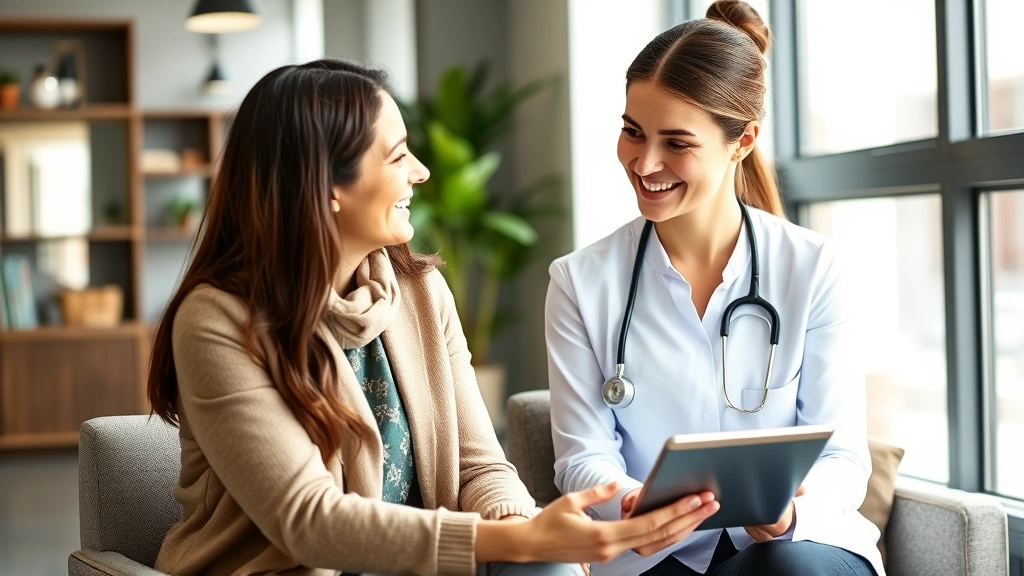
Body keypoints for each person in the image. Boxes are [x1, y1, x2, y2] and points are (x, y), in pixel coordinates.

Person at [146, 59, 718, 576]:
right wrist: (513, 542)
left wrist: (524, 528)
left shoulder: (421, 291)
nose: (420, 172)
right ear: (327, 187)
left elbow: (478, 466)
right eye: (397, 156)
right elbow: (309, 522)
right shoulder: (218, 320)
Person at [544, 2, 884, 575]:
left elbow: (843, 455)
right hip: (653, 555)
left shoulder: (813, 266)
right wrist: (629, 504)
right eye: (632, 132)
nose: (644, 162)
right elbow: (583, 455)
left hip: (798, 549)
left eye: (677, 143)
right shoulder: (579, 282)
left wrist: (791, 514)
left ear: (742, 140)